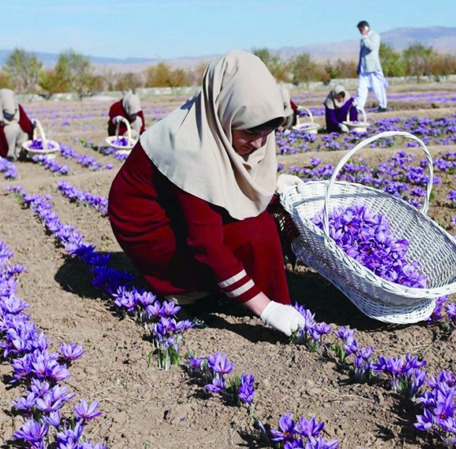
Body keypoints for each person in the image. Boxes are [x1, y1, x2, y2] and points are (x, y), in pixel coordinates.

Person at [107, 50, 306, 336]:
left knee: (263, 219)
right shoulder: (191, 148)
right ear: (225, 113)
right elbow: (206, 244)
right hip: (150, 227)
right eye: (249, 134)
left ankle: (236, 288)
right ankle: (182, 293)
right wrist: (267, 308)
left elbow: (229, 184)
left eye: (268, 132)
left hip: (177, 206)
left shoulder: (223, 123)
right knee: (253, 232)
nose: (259, 144)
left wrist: (272, 187)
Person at [0, 88, 35, 163]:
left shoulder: (18, 108)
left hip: (15, 137)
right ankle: (10, 156)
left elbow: (26, 124)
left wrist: (32, 126)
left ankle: (21, 153)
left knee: (23, 130)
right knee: (12, 128)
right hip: (2, 143)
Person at [355, 20, 388, 113]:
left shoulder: (374, 36)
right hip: (364, 68)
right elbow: (361, 54)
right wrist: (359, 66)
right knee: (361, 88)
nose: (360, 32)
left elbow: (372, 47)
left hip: (373, 67)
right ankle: (359, 107)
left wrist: (365, 37)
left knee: (378, 87)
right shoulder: (363, 38)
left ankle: (383, 105)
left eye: (360, 29)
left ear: (365, 28)